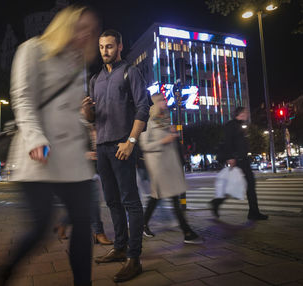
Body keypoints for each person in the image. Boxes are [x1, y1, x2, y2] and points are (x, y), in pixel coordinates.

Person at [0, 6, 100, 286]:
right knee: (40, 227)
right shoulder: (33, 49)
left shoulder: (78, 63)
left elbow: (71, 112)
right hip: (39, 153)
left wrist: (87, 134)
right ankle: (6, 271)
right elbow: (23, 98)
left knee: (82, 221)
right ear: (63, 25)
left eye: (91, 29)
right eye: (81, 26)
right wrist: (35, 138)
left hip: (72, 158)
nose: (86, 34)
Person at [82, 29, 150, 282]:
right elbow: (93, 119)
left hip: (122, 146)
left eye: (109, 46)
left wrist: (131, 141)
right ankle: (120, 248)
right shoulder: (95, 79)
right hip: (102, 147)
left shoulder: (130, 72)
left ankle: (134, 258)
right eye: (101, 47)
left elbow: (143, 108)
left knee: (130, 201)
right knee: (111, 201)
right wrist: (86, 111)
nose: (105, 51)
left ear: (120, 46)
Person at [139, 93, 202, 244]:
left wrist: (172, 134)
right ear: (154, 104)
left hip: (169, 165)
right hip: (158, 166)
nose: (164, 102)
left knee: (157, 197)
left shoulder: (165, 120)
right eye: (161, 100)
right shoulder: (147, 122)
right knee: (172, 197)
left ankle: (143, 223)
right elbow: (144, 146)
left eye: (164, 100)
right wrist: (164, 140)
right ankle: (186, 231)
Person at [210, 107, 269, 220]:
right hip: (238, 160)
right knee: (240, 185)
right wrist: (230, 157)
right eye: (245, 112)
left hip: (243, 160)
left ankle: (253, 212)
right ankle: (217, 203)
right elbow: (227, 142)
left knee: (247, 185)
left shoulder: (239, 125)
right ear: (240, 114)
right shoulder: (231, 125)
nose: (247, 114)